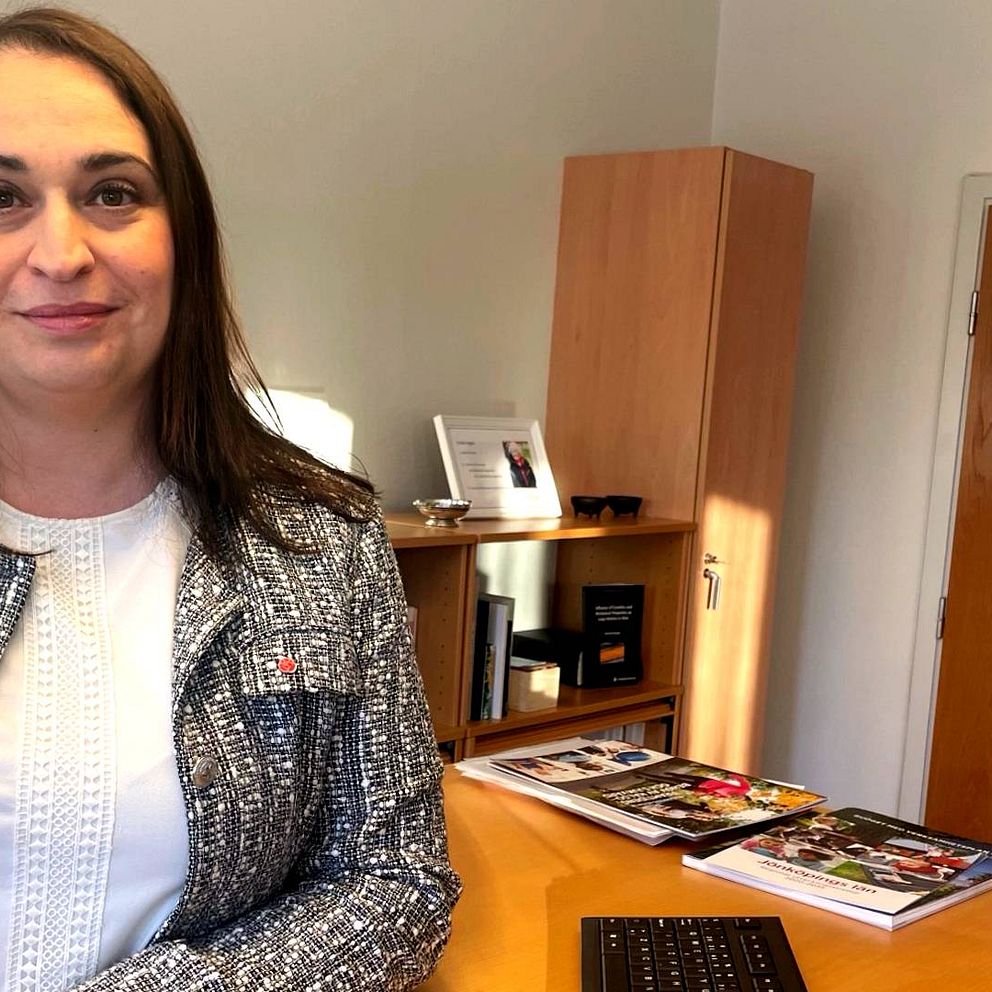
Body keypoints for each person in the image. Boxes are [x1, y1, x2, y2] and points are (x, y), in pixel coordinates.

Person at [0, 7, 459, 991]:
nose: (61, 252)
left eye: (114, 192)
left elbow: (395, 883)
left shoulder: (323, 543)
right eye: (2, 197)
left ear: (185, 239)